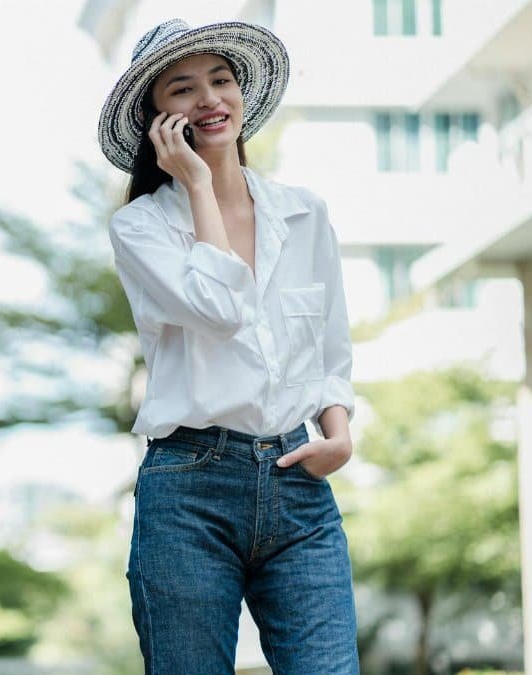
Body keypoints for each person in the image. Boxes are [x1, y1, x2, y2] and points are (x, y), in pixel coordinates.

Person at [97, 18, 361, 674]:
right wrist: (195, 183)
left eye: (221, 80)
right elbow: (221, 307)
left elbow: (330, 344)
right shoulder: (141, 227)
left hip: (298, 480)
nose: (210, 99)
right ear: (158, 119)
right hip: (189, 487)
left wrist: (338, 431)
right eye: (182, 89)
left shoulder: (305, 214)